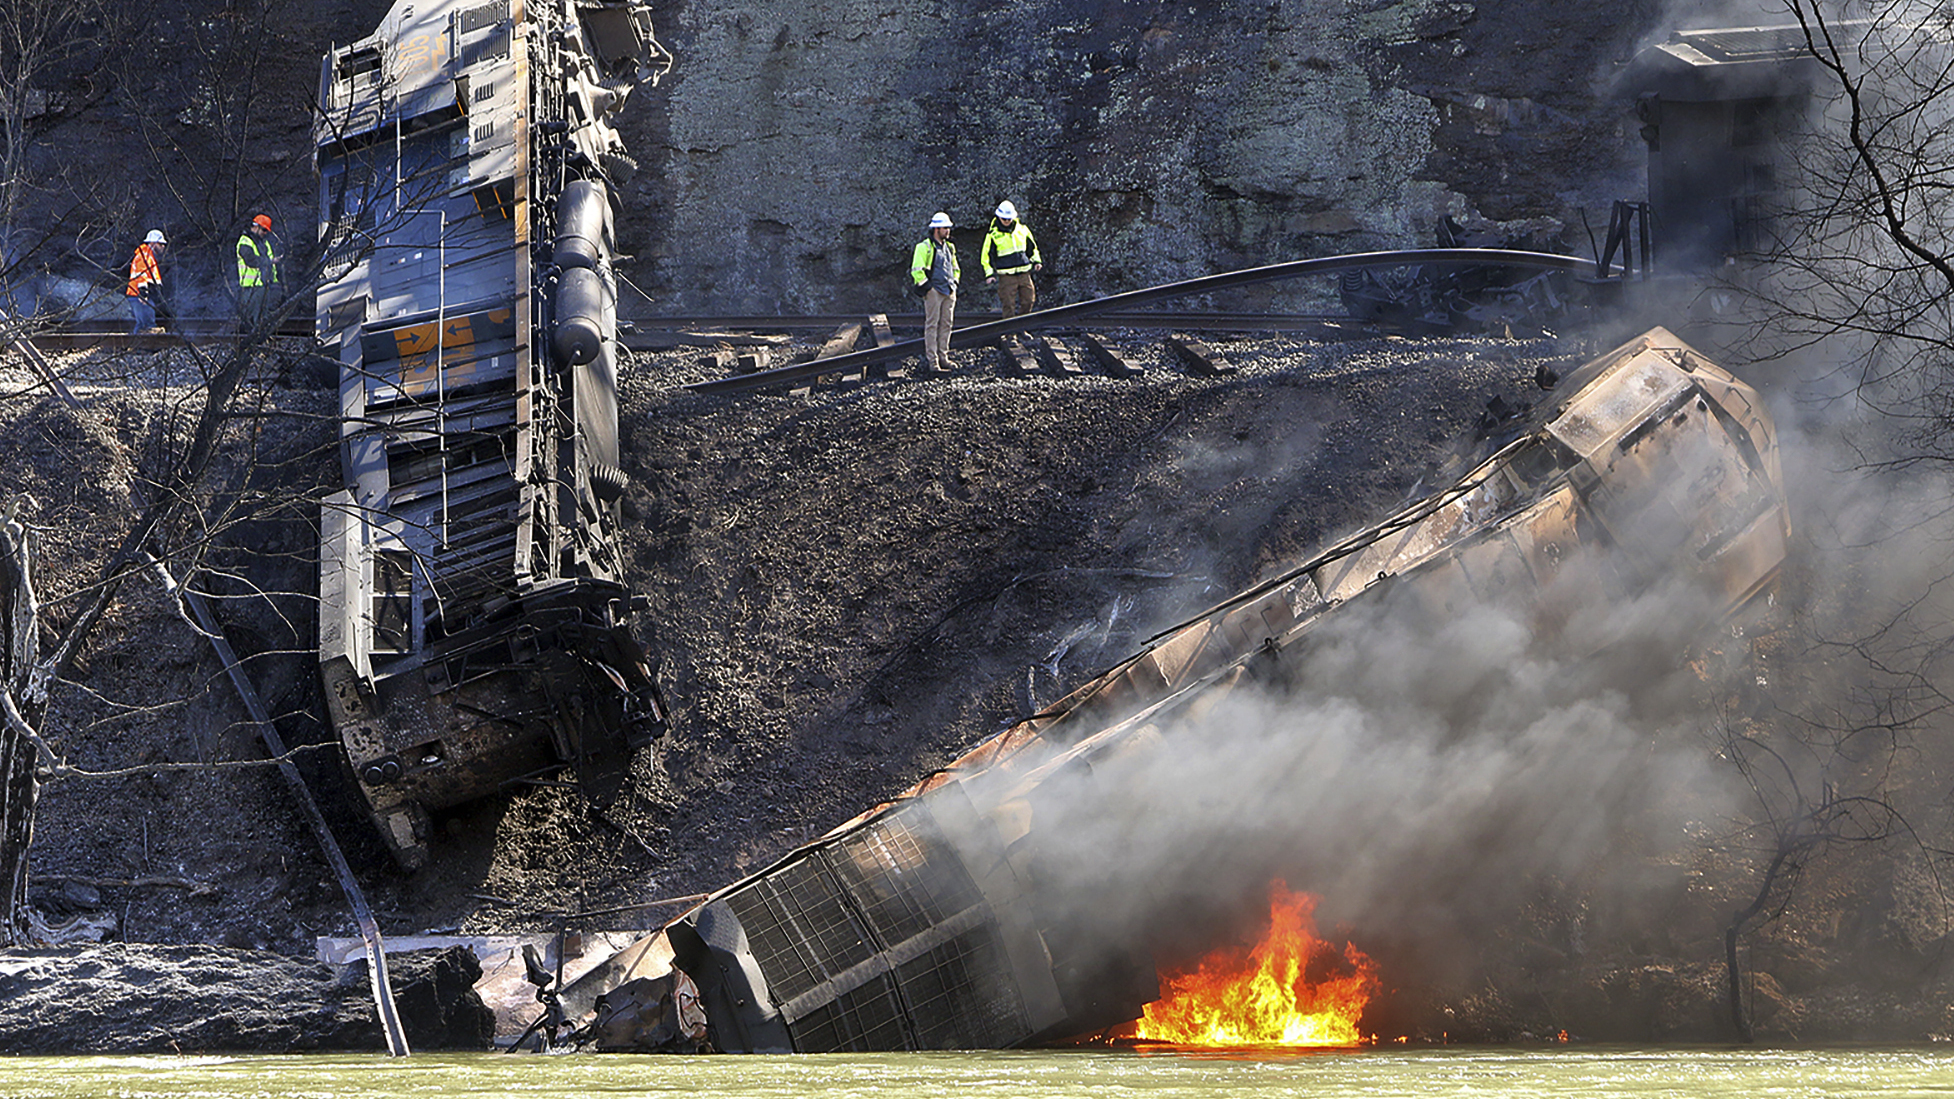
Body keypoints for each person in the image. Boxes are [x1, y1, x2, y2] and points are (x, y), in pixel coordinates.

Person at [909, 211, 960, 374]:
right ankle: (933, 361)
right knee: (932, 325)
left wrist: (955, 283)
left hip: (948, 290)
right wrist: (928, 288)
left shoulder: (949, 247)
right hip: (935, 291)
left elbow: (955, 268)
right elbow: (916, 270)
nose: (948, 231)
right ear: (937, 229)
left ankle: (943, 356)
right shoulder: (924, 247)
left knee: (946, 324)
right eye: (946, 228)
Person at [980, 200, 1042, 319]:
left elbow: (1032, 248)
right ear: (999, 217)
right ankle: (1010, 333)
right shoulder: (993, 235)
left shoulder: (1022, 230)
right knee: (1008, 304)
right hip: (1007, 276)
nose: (1007, 221)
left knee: (1028, 300)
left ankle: (1022, 328)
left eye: (1009, 219)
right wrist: (989, 274)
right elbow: (986, 256)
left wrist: (1037, 261)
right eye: (1005, 219)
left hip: (1024, 273)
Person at [236, 213, 280, 329]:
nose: (265, 233)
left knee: (262, 317)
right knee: (251, 318)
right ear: (256, 227)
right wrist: (270, 262)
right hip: (251, 287)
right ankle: (250, 341)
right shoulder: (245, 241)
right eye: (264, 230)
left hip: (264, 285)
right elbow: (251, 260)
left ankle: (259, 339)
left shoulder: (263, 243)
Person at [126, 230, 167, 334]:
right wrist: (143, 294)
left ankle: (137, 347)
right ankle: (144, 347)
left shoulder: (147, 256)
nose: (163, 247)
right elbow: (142, 276)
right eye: (160, 244)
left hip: (139, 295)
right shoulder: (145, 256)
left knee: (142, 325)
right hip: (140, 295)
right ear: (153, 243)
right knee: (147, 325)